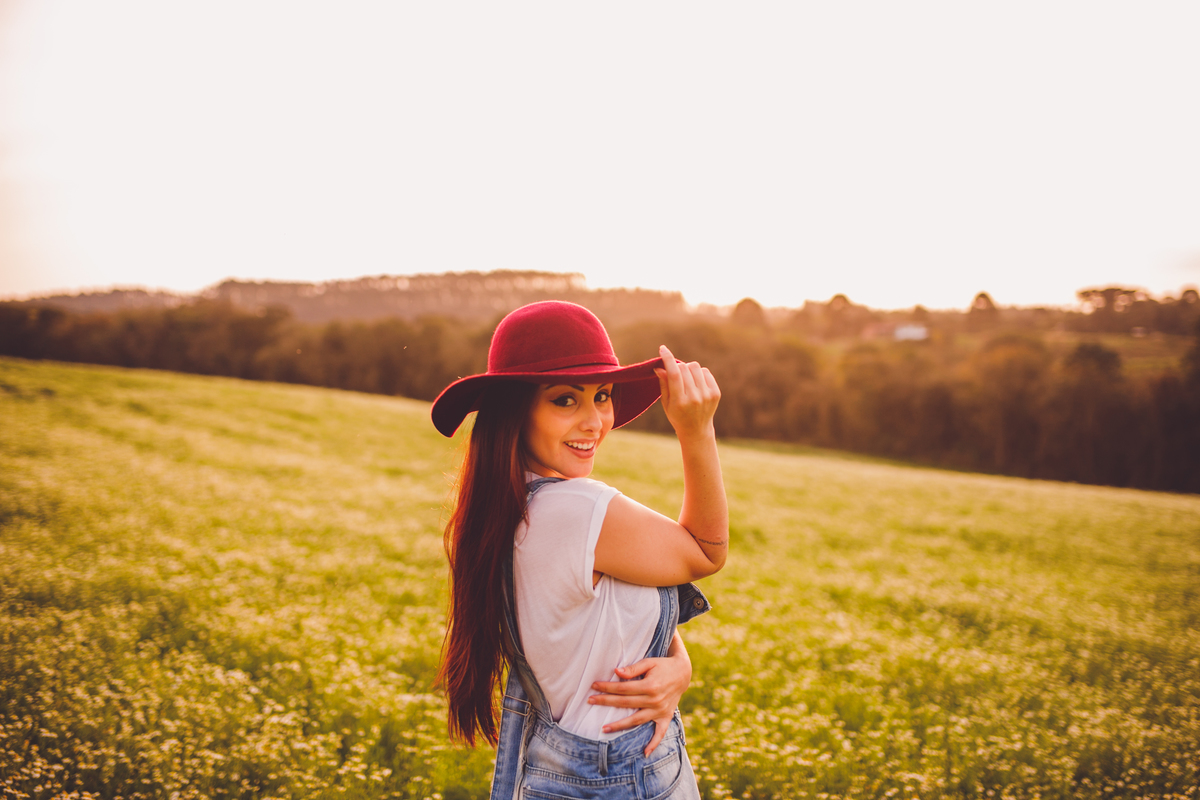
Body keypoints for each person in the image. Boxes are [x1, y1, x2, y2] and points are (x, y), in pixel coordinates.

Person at [431, 300, 728, 800]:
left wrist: (678, 662)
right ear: (516, 411)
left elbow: (606, 621)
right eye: (566, 400)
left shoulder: (506, 507)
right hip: (620, 777)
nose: (595, 422)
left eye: (603, 396)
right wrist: (697, 431)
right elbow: (706, 551)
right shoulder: (574, 510)